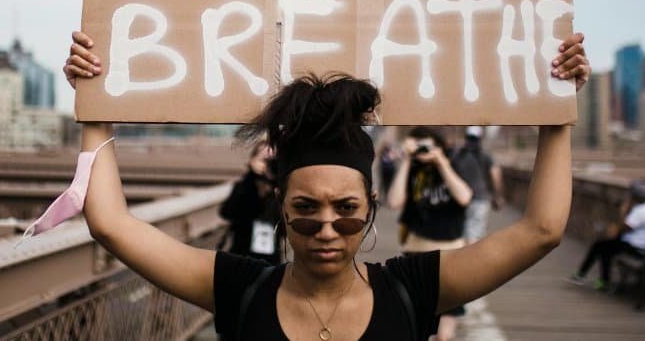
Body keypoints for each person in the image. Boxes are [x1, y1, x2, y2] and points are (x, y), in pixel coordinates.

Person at [63, 30, 589, 340]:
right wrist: (96, 109)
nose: (327, 228)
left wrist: (554, 113)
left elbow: (541, 230)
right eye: (306, 210)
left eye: (348, 210)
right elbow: (110, 224)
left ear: (373, 205)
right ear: (281, 208)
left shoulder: (413, 288)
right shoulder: (240, 288)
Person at [386, 125, 478, 341]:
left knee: (444, 336)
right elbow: (394, 201)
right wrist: (407, 160)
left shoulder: (455, 163)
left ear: (440, 146)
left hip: (451, 257)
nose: (423, 150)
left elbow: (464, 197)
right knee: (416, 328)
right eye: (418, 146)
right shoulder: (411, 169)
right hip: (415, 256)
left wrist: (441, 163)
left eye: (427, 145)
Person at [569, 180, 645, 291]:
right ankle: (587, 276)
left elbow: (625, 228)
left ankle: (595, 279)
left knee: (603, 247)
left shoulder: (642, 211)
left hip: (638, 248)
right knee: (601, 245)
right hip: (636, 244)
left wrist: (623, 211)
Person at [219, 142, 283, 264]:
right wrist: (251, 176)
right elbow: (226, 212)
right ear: (253, 161)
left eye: (273, 160)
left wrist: (276, 183)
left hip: (270, 258)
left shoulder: (280, 189)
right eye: (265, 160)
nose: (269, 164)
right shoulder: (245, 185)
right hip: (242, 254)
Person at [453, 126, 504, 244]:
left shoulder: (458, 155)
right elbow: (496, 175)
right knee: (475, 232)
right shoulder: (485, 155)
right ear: (479, 138)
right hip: (481, 198)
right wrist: (498, 195)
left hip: (460, 199)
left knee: (463, 231)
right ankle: (472, 259)